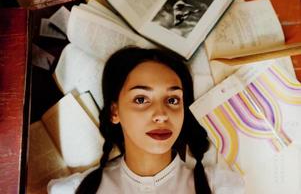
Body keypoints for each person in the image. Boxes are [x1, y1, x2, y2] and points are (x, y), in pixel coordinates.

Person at [48, 47, 244, 194]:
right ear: (114, 112)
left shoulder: (222, 188)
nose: (161, 114)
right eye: (141, 99)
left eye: (172, 100)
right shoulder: (72, 191)